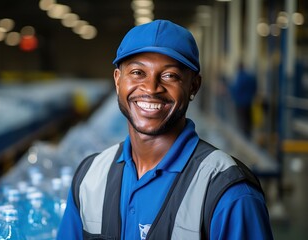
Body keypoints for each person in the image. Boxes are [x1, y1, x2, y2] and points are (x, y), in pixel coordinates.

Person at [57, 20, 273, 240]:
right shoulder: (90, 176)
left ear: (193, 86)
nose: (151, 88)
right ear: (118, 80)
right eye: (138, 72)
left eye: (170, 75)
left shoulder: (228, 192)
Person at [229, 62, 258, 138]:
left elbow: (236, 89)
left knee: (242, 120)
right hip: (249, 101)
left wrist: (234, 97)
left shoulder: (239, 77)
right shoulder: (250, 77)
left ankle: (243, 135)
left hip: (240, 102)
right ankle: (248, 134)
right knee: (248, 120)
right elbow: (254, 87)